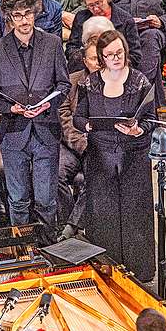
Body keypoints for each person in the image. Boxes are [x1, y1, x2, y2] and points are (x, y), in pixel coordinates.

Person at [0, 0, 71, 236]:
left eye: (28, 14)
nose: (24, 20)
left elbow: (63, 85)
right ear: (9, 17)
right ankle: (23, 251)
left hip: (45, 130)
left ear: (35, 13)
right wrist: (11, 108)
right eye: (18, 15)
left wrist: (47, 104)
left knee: (46, 200)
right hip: (14, 133)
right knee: (18, 200)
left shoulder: (52, 44)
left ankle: (48, 247)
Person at [73, 30, 156, 280]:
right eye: (109, 55)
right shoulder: (91, 83)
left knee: (134, 213)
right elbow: (78, 117)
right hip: (101, 156)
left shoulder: (139, 81)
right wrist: (89, 125)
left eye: (119, 52)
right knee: (104, 214)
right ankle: (109, 270)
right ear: (101, 58)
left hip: (133, 155)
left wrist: (139, 128)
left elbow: (152, 118)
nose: (116, 58)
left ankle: (139, 270)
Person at [58, 22, 108, 239]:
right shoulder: (72, 82)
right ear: (84, 60)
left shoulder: (114, 83)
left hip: (100, 146)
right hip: (73, 144)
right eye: (93, 59)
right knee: (56, 173)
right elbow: (64, 116)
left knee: (96, 174)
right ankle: (67, 222)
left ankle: (72, 227)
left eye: (100, 58)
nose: (98, 63)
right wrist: (79, 142)